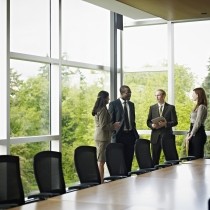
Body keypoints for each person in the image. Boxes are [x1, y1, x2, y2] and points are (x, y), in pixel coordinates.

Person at [108, 85, 139, 172]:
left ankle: (128, 177)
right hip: (119, 136)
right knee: (119, 160)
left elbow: (132, 120)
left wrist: (135, 134)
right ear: (121, 93)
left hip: (130, 136)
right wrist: (113, 127)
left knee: (129, 159)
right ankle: (120, 181)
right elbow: (110, 121)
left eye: (130, 92)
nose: (129, 94)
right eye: (127, 93)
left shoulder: (131, 105)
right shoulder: (113, 104)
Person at [92, 91, 120, 183]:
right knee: (101, 161)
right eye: (108, 97)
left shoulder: (99, 108)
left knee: (102, 160)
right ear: (104, 98)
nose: (109, 99)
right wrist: (114, 125)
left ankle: (101, 180)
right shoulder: (103, 110)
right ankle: (101, 181)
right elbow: (103, 126)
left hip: (101, 137)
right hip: (102, 138)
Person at [147, 89, 178, 165]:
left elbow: (175, 122)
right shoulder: (152, 107)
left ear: (164, 96)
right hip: (155, 137)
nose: (157, 97)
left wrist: (166, 124)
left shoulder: (171, 108)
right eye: (156, 95)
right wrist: (152, 125)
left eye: (159, 95)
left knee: (170, 160)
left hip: (167, 136)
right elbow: (148, 121)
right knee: (154, 160)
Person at [185, 87, 208, 158]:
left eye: (193, 94)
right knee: (191, 157)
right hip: (193, 133)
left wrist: (191, 135)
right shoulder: (197, 106)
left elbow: (198, 122)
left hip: (198, 134)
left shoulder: (202, 107)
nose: (192, 96)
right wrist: (189, 134)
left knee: (197, 158)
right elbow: (192, 123)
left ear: (197, 94)